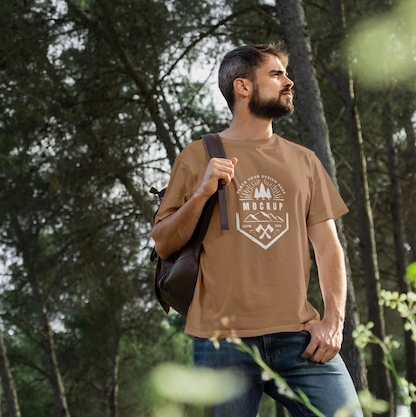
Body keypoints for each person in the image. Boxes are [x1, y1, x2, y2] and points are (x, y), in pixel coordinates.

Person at [151, 43, 362, 417]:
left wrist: (333, 322)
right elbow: (164, 241)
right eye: (276, 74)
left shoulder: (304, 160)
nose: (289, 82)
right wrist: (201, 193)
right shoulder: (196, 155)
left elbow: (328, 247)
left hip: (299, 337)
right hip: (221, 343)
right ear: (243, 87)